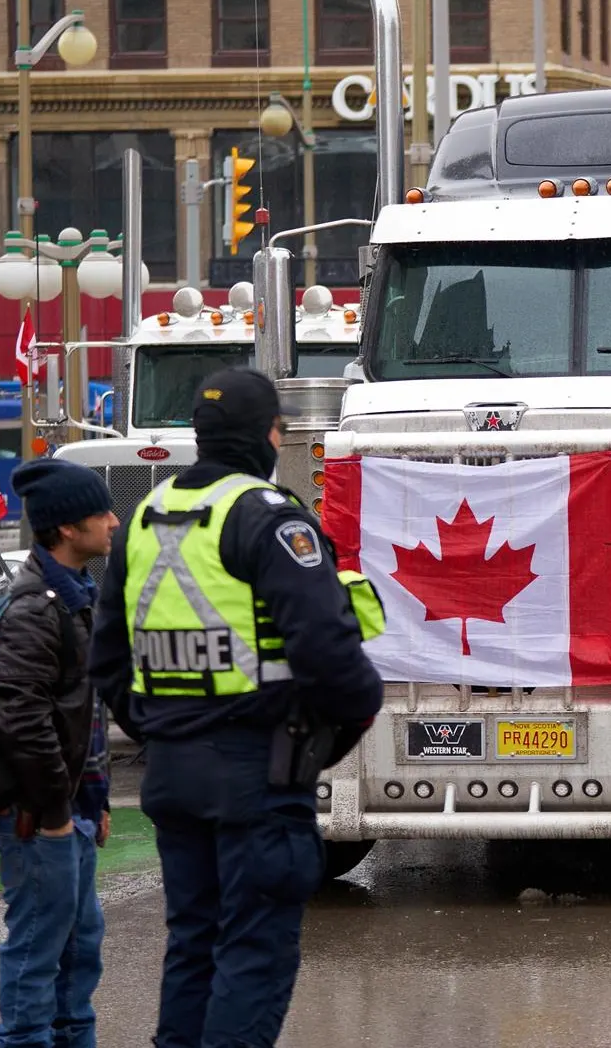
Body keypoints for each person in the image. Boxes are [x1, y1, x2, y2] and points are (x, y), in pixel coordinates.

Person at [89, 368, 385, 1048]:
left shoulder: (143, 518)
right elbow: (328, 651)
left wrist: (161, 729)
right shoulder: (270, 518)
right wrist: (345, 724)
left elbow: (106, 660)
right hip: (259, 774)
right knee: (254, 952)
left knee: (193, 946)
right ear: (269, 435)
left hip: (173, 772)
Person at [0, 458, 119, 1048]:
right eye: (101, 512)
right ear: (66, 528)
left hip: (73, 811)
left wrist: (97, 800)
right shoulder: (34, 608)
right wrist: (57, 817)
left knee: (80, 947)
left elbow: (85, 716)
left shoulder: (77, 596)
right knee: (40, 948)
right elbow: (23, 719)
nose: (115, 522)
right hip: (39, 817)